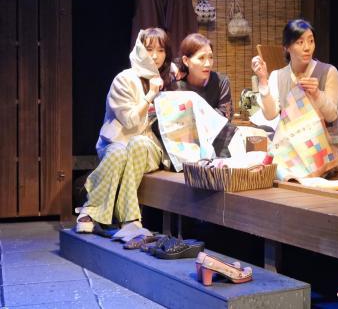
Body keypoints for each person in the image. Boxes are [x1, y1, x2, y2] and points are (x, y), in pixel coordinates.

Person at [75, 28, 174, 233]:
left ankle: (112, 215)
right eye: (149, 49)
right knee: (119, 153)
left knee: (139, 143)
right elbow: (129, 121)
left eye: (161, 50)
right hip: (117, 141)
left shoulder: (169, 80)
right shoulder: (124, 80)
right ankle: (108, 213)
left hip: (146, 146)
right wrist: (150, 95)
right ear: (139, 50)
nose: (155, 56)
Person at [251, 18, 338, 172]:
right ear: (286, 47)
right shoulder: (278, 76)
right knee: (256, 152)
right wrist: (263, 80)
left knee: (296, 165)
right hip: (293, 147)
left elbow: (331, 115)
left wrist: (317, 94)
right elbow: (270, 115)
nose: (307, 48)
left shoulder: (328, 71)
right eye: (300, 42)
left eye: (311, 41)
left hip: (327, 146)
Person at [174, 33, 236, 156]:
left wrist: (195, 118)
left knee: (230, 130)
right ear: (186, 60)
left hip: (216, 137)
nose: (208, 63)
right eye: (201, 58)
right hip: (186, 141)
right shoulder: (176, 86)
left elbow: (225, 115)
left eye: (210, 57)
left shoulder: (220, 81)